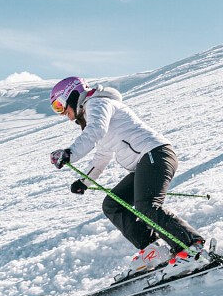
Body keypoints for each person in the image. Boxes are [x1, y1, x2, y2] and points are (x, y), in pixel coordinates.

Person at [47, 76, 209, 281]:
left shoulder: (98, 103)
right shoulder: (95, 114)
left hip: (155, 154)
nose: (63, 113)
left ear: (72, 95)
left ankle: (192, 248)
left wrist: (69, 153)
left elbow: (96, 130)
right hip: (144, 163)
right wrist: (84, 181)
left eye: (60, 105)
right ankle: (153, 250)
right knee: (112, 205)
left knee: (147, 206)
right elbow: (102, 155)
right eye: (56, 109)